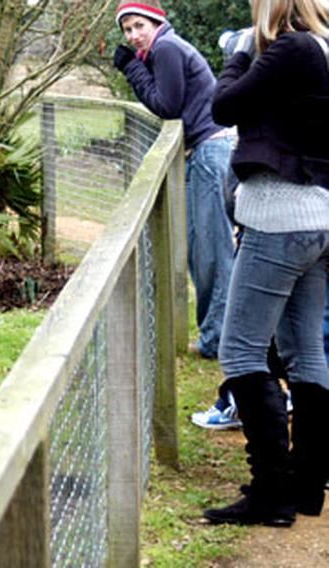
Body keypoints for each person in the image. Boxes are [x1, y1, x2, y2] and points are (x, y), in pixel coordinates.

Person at [201, 0, 329, 526]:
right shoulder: (321, 47)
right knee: (305, 353)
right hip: (319, 217)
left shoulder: (291, 48)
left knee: (240, 351)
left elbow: (223, 106)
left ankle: (271, 491)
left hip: (280, 219)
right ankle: (305, 485)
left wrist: (240, 50)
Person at [112, 1, 236, 366]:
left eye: (139, 26)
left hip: (211, 153)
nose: (134, 36)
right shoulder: (164, 48)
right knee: (201, 250)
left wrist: (133, 68)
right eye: (128, 30)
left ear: (156, 22)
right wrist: (138, 66)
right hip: (206, 153)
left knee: (212, 252)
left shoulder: (166, 47)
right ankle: (214, 336)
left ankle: (219, 340)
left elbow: (166, 105)